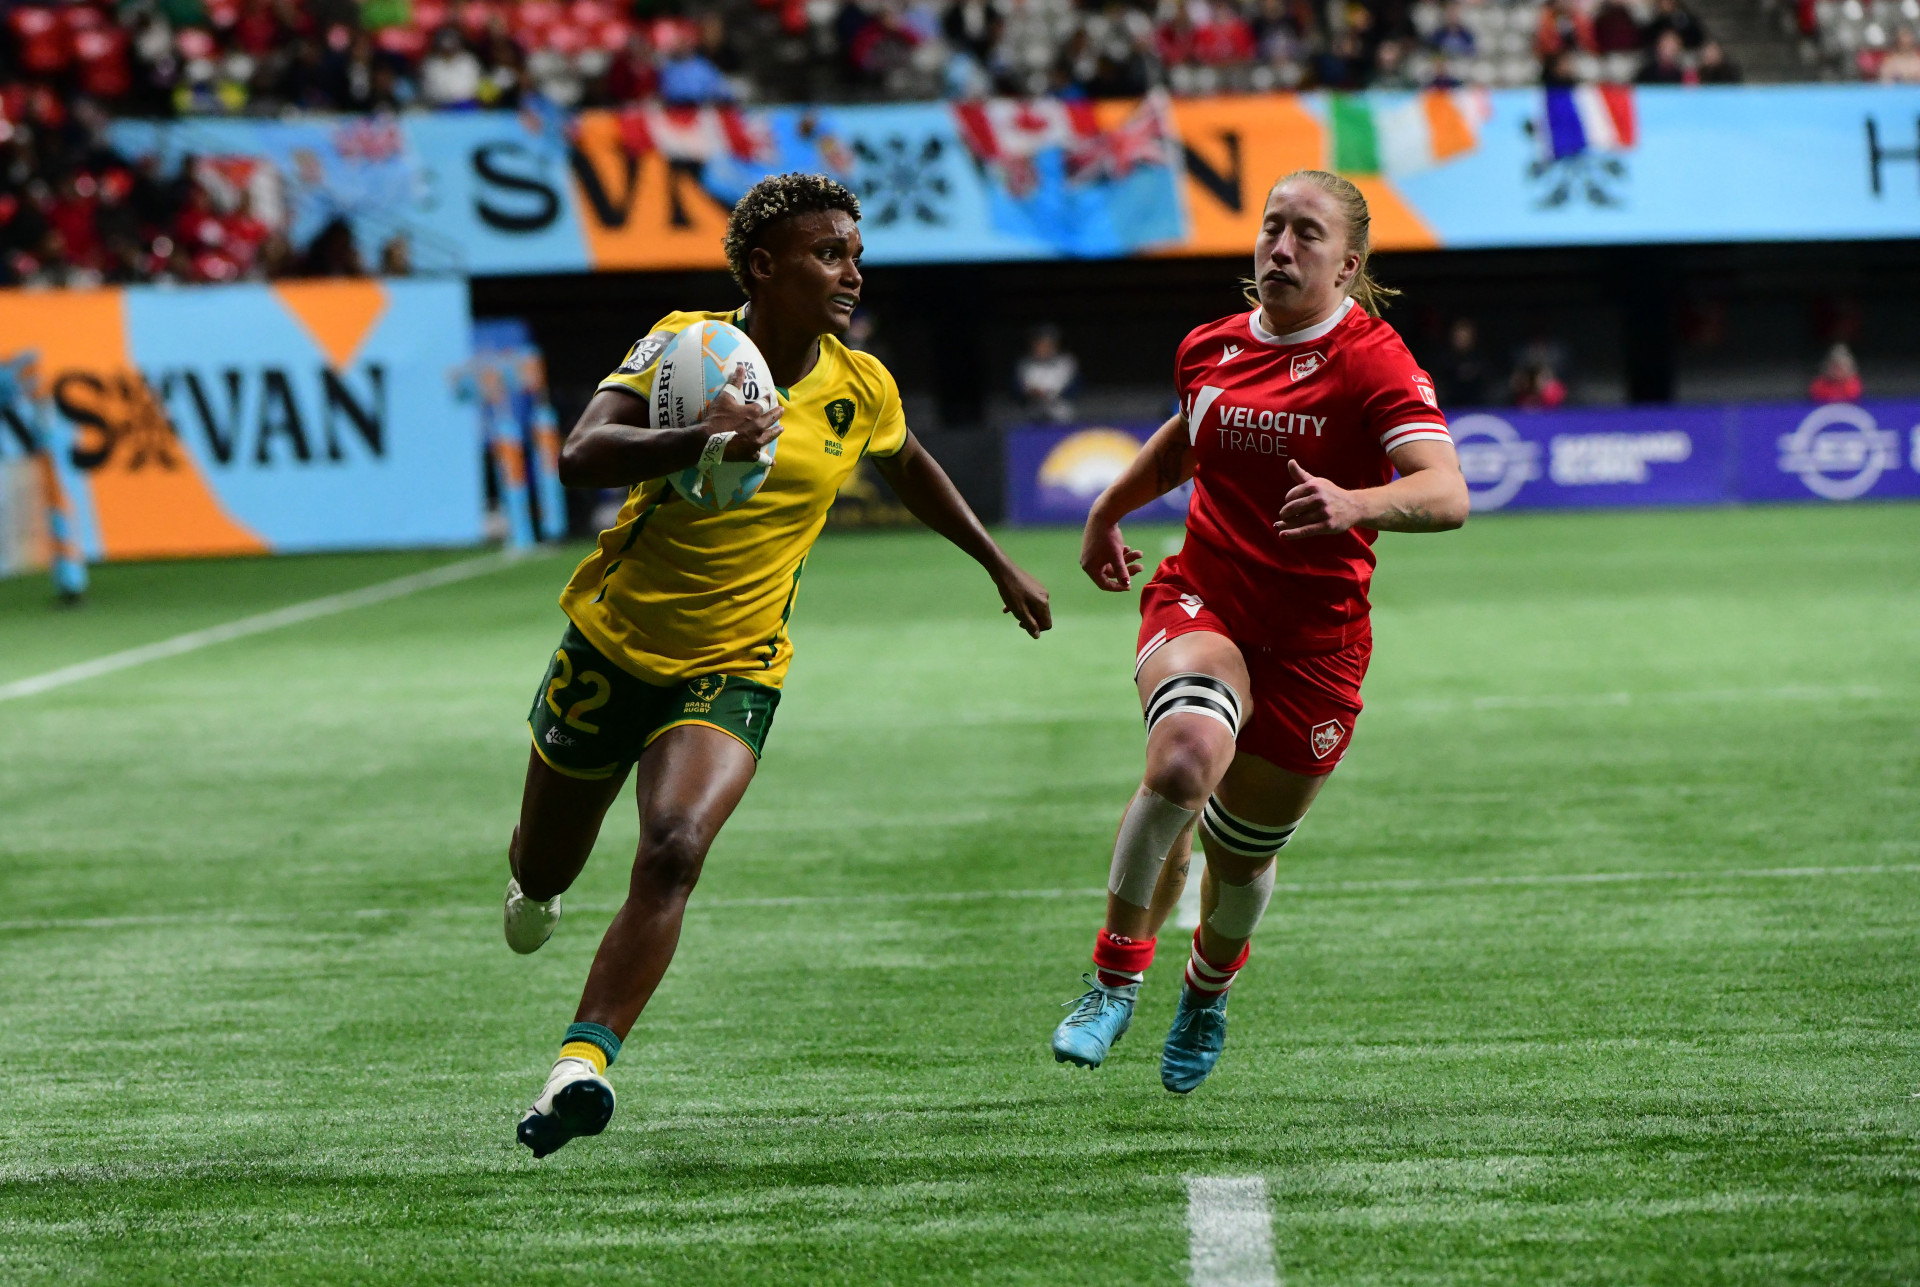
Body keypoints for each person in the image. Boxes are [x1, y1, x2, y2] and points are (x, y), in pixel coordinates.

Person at [506, 173, 1052, 1157]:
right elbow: (583, 452)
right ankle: (535, 888)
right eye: (826, 252)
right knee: (544, 863)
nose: (850, 271)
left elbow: (911, 462)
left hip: (735, 663)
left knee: (674, 847)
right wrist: (697, 435)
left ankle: (579, 1067)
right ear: (763, 265)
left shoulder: (860, 384)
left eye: (853, 251)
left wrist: (997, 562)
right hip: (610, 646)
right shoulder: (684, 344)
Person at [1046, 170, 1467, 1093]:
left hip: (1316, 646)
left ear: (1347, 265)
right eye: (1272, 227)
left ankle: (1205, 990)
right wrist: (1107, 509)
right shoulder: (1210, 346)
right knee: (1184, 757)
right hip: (1207, 599)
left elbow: (1447, 491)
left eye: (1305, 234)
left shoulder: (1375, 362)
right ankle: (1114, 976)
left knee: (1241, 857)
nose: (1280, 246)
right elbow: (1189, 437)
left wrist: (1357, 501)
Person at [1016, 323, 1080, 422]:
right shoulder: (1025, 365)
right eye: (1039, 343)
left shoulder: (1066, 362)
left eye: (1047, 344)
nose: (1043, 348)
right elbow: (1021, 389)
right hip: (1032, 415)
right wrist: (1031, 393)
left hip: (1062, 415)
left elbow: (1070, 389)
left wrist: (1046, 394)